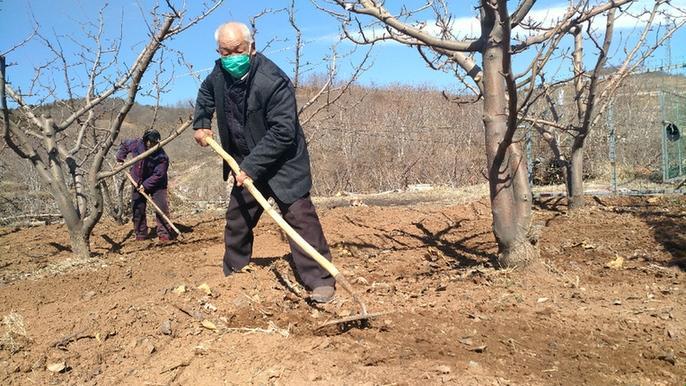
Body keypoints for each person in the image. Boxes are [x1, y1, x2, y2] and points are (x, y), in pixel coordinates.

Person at [192, 22, 335, 303]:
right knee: (238, 219)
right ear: (218, 52)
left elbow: (283, 131)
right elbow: (206, 93)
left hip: (283, 164)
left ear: (252, 48)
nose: (232, 57)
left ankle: (320, 280)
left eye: (238, 50)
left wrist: (251, 167)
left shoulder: (273, 81)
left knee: (300, 219)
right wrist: (202, 122)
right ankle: (234, 272)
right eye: (225, 52)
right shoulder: (218, 74)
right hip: (244, 162)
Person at [116, 129, 174, 242]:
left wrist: (146, 185)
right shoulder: (136, 143)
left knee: (161, 207)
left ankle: (164, 234)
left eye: (154, 142)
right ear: (145, 140)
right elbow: (124, 145)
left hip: (157, 184)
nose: (151, 144)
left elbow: (159, 174)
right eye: (149, 141)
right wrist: (120, 158)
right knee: (137, 208)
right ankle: (140, 234)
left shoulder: (162, 156)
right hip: (137, 180)